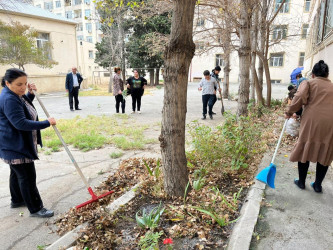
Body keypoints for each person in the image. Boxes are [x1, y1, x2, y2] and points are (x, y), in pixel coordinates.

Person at [0, 68, 56, 217]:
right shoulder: (9, 98)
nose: (23, 87)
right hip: (16, 145)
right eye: (19, 84)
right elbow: (20, 123)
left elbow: (22, 109)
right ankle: (36, 208)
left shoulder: (13, 94)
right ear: (7, 83)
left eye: (25, 83)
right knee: (27, 176)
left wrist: (30, 94)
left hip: (12, 143)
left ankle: (17, 200)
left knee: (17, 173)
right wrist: (46, 123)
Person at [285, 60, 333, 193]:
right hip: (330, 124)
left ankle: (301, 182)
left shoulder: (308, 83)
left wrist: (289, 111)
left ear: (312, 74)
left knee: (304, 147)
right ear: (327, 74)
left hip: (312, 121)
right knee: (325, 151)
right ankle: (317, 185)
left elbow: (299, 97)